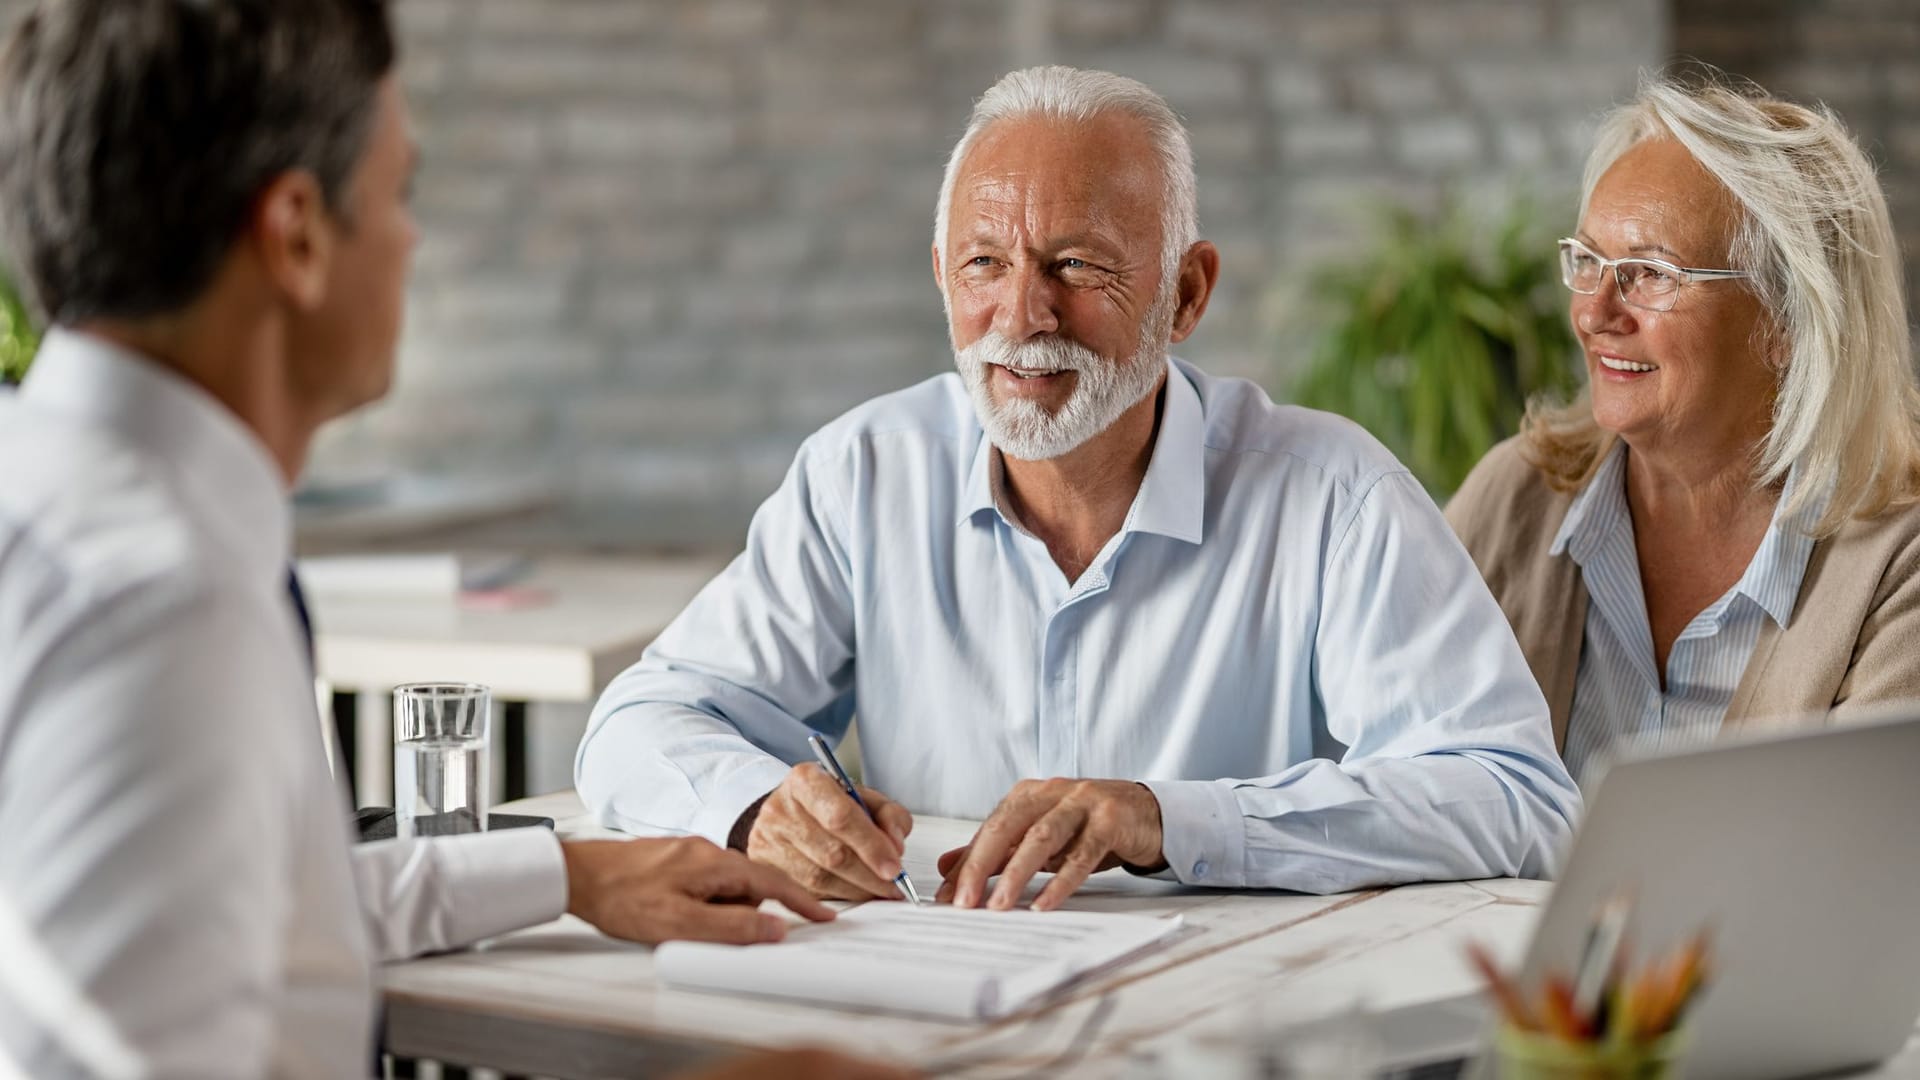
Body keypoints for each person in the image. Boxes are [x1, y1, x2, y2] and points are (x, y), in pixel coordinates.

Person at [0, 3, 906, 1078]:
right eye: (399, 192)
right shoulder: (163, 608)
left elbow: (236, 918)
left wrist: (564, 875)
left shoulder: (53, 494)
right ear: (295, 234)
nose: (411, 238)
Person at [577, 65, 1580, 912]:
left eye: (1076, 264)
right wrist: (758, 807)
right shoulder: (865, 474)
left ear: (1186, 293)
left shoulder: (1334, 496)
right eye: (984, 263)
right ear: (940, 276)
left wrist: (1169, 817)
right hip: (929, 1027)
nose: (1023, 312)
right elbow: (637, 726)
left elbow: (1514, 795)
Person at [1446, 72, 1920, 788]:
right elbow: (1404, 773)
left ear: (1789, 319)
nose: (1595, 312)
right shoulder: (1515, 497)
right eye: (1588, 261)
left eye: (1649, 273)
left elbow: (1861, 868)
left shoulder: (1897, 564)